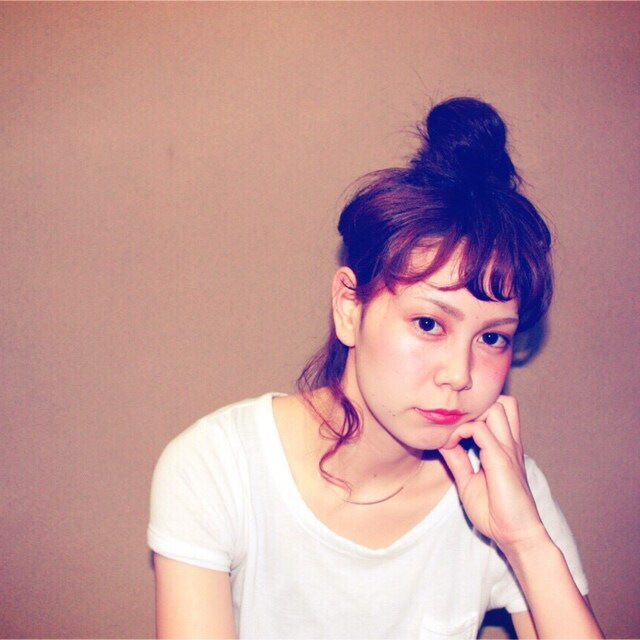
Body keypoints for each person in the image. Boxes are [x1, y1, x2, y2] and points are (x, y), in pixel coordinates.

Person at [148, 97, 604, 639]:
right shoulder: (219, 466)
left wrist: (526, 541)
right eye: (429, 324)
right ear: (349, 307)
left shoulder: (506, 487)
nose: (459, 375)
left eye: (492, 337)